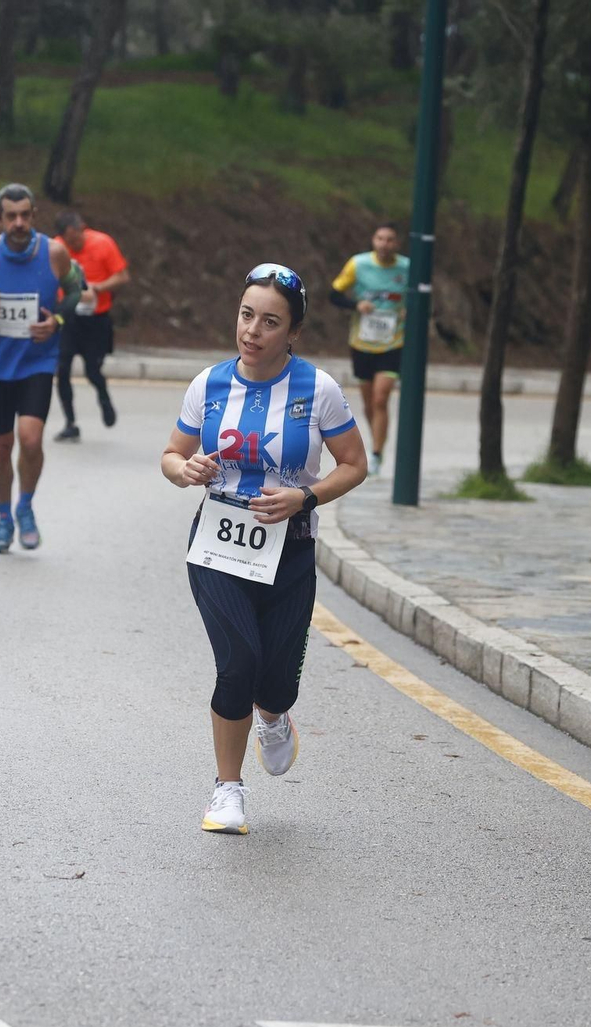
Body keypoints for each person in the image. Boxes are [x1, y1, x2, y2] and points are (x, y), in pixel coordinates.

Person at [161, 264, 368, 835]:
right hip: (217, 543)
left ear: (293, 331)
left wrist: (306, 496)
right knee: (238, 663)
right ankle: (227, 791)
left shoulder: (318, 390)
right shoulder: (209, 384)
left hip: (290, 547)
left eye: (270, 322)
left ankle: (273, 716)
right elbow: (172, 455)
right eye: (246, 315)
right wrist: (186, 469)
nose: (252, 331)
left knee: (276, 682)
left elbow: (354, 464)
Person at [0, 184, 88, 552]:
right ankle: (3, 518)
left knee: (30, 438)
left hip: (38, 360)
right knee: (0, 446)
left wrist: (56, 321)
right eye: (11, 216)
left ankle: (24, 506)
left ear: (34, 215)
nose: (19, 222)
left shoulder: (54, 252)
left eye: (25, 215)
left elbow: (75, 291)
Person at [329, 222, 409, 476]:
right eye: (380, 238)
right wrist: (356, 305)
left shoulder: (407, 268)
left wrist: (410, 310)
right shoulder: (358, 264)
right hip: (362, 342)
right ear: (373, 241)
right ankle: (376, 441)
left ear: (397, 243)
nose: (384, 244)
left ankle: (375, 453)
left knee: (380, 398)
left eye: (390, 239)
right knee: (368, 402)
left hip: (393, 342)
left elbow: (422, 298)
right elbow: (334, 294)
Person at [52, 210, 128, 442]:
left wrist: (97, 288)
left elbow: (122, 276)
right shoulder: (56, 248)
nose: (74, 245)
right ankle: (70, 422)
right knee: (62, 369)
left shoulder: (103, 243)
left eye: (76, 239)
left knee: (92, 370)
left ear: (82, 228)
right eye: (69, 241)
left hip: (96, 319)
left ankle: (103, 397)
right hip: (69, 318)